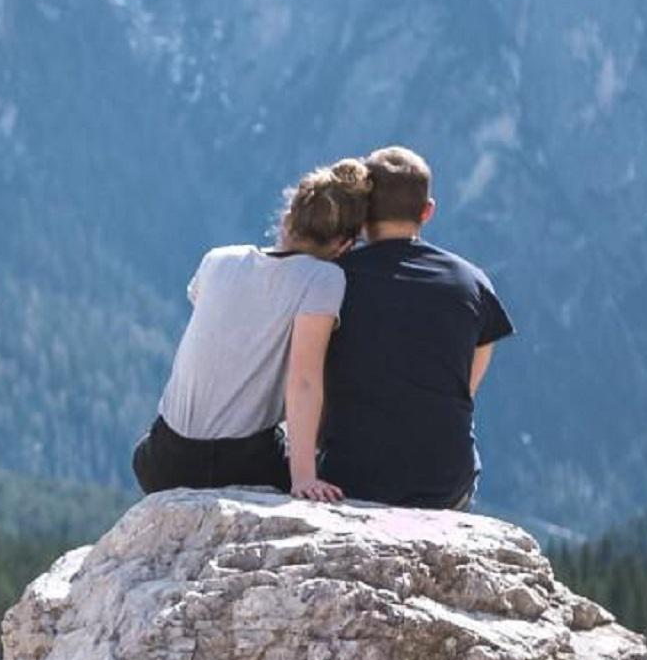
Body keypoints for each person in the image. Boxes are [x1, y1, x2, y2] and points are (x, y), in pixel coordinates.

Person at [133, 159, 369, 499]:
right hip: (238, 463)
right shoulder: (323, 279)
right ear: (344, 246)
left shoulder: (218, 259)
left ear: (288, 219)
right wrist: (303, 478)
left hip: (163, 459)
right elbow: (303, 380)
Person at [319, 146, 513, 509]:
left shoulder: (332, 280)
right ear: (427, 211)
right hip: (445, 483)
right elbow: (464, 386)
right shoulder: (473, 283)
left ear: (361, 212)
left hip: (353, 478)